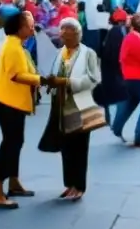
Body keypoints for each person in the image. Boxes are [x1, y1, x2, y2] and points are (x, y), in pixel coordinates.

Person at [38, 18, 101, 201]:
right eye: (62, 31)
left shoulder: (88, 53)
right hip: (60, 105)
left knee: (80, 147)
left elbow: (93, 79)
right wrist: (51, 82)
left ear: (77, 34)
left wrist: (68, 82)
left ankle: (79, 185)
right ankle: (69, 184)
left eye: (67, 31)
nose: (63, 35)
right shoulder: (60, 53)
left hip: (79, 105)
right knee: (66, 146)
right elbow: (57, 74)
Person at [0, 11, 41, 209]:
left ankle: (13, 182)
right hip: (7, 101)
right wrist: (41, 80)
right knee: (11, 142)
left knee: (16, 141)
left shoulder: (15, 44)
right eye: (30, 25)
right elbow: (17, 75)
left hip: (11, 100)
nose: (32, 28)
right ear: (20, 28)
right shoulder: (13, 47)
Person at [112, 12, 140, 148]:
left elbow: (121, 58)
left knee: (130, 102)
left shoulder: (128, 38)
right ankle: (139, 135)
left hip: (126, 76)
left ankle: (117, 128)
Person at [94, 9, 128, 126]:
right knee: (121, 95)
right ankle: (117, 122)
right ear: (121, 22)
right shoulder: (118, 33)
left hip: (106, 67)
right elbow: (117, 53)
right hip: (114, 69)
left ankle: (106, 117)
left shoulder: (107, 31)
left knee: (107, 93)